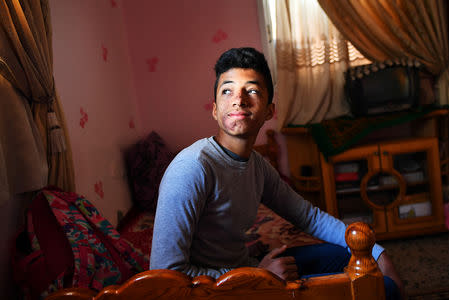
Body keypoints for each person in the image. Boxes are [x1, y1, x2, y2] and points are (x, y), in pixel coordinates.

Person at [150, 47, 404, 299]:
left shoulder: (257, 165)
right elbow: (165, 277)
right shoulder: (192, 168)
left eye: (251, 90)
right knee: (385, 290)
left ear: (270, 111)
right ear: (215, 109)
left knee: (356, 258)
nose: (238, 99)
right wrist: (254, 276)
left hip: (247, 269)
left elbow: (308, 216)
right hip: (225, 291)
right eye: (227, 91)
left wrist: (377, 252)